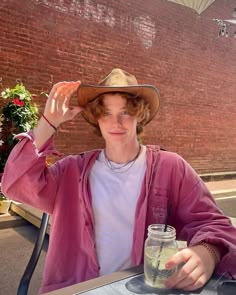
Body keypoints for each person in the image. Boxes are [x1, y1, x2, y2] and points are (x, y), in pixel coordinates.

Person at [1, 68, 236, 294]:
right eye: (106, 112)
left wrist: (207, 253)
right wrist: (48, 124)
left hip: (144, 287)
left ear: (140, 114)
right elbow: (14, 184)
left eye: (125, 111)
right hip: (77, 288)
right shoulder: (72, 171)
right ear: (96, 118)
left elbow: (214, 223)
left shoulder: (169, 167)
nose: (116, 122)